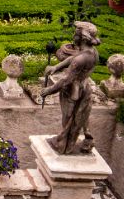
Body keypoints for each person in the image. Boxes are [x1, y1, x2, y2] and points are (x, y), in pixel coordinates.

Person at [42, 21, 100, 154]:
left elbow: (66, 80)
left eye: (75, 34)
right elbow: (74, 58)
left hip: (73, 91)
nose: (74, 36)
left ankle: (63, 145)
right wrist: (56, 67)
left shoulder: (81, 59)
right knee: (77, 118)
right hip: (84, 87)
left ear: (81, 38)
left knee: (68, 119)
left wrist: (48, 91)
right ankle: (67, 142)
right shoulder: (92, 52)